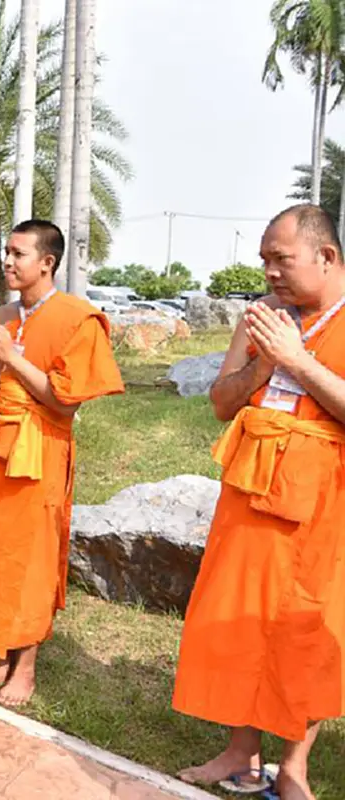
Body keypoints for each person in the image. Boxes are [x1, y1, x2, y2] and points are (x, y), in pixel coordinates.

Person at [172, 204, 345, 800]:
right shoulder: (262, 318)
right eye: (264, 260)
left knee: (308, 624)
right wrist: (264, 364)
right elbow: (223, 401)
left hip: (325, 499)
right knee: (235, 616)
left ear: (326, 257)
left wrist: (299, 361)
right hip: (250, 486)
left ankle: (294, 767)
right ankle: (240, 752)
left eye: (282, 259)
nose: (270, 271)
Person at [0, 219, 123, 708]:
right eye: (5, 251)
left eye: (18, 253)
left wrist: (14, 356)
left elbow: (64, 402)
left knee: (28, 558)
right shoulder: (4, 314)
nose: (7, 261)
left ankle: (24, 668)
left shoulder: (78, 318)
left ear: (46, 262)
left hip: (40, 450)